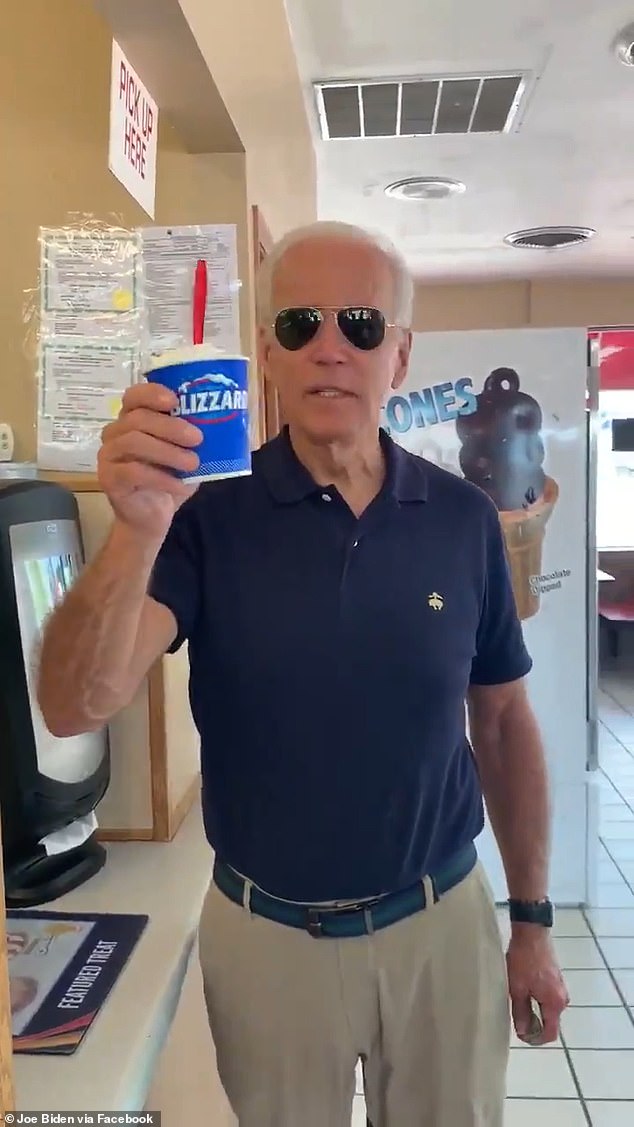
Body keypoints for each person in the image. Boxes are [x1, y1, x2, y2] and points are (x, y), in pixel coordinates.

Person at [37, 221, 569, 1126]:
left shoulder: (462, 519)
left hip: (442, 925)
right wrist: (135, 528)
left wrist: (531, 919)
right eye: (300, 324)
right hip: (270, 937)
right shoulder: (202, 517)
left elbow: (507, 723)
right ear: (267, 356)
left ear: (399, 356)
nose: (331, 347)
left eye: (362, 324)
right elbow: (73, 701)